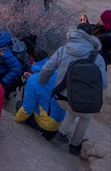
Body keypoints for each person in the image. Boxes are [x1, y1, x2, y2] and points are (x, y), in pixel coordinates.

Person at [39, 23, 108, 156]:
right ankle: (75, 145)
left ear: (76, 33)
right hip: (80, 102)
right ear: (91, 37)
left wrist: (42, 82)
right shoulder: (97, 57)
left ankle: (62, 133)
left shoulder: (63, 49)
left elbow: (47, 69)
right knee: (86, 116)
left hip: (61, 97)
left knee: (73, 108)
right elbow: (104, 84)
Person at [14, 47, 66, 141]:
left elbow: (27, 109)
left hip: (45, 125)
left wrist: (16, 119)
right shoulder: (56, 73)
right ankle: (51, 133)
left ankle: (45, 130)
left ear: (33, 60)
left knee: (19, 105)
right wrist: (33, 77)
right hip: (60, 120)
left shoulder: (33, 81)